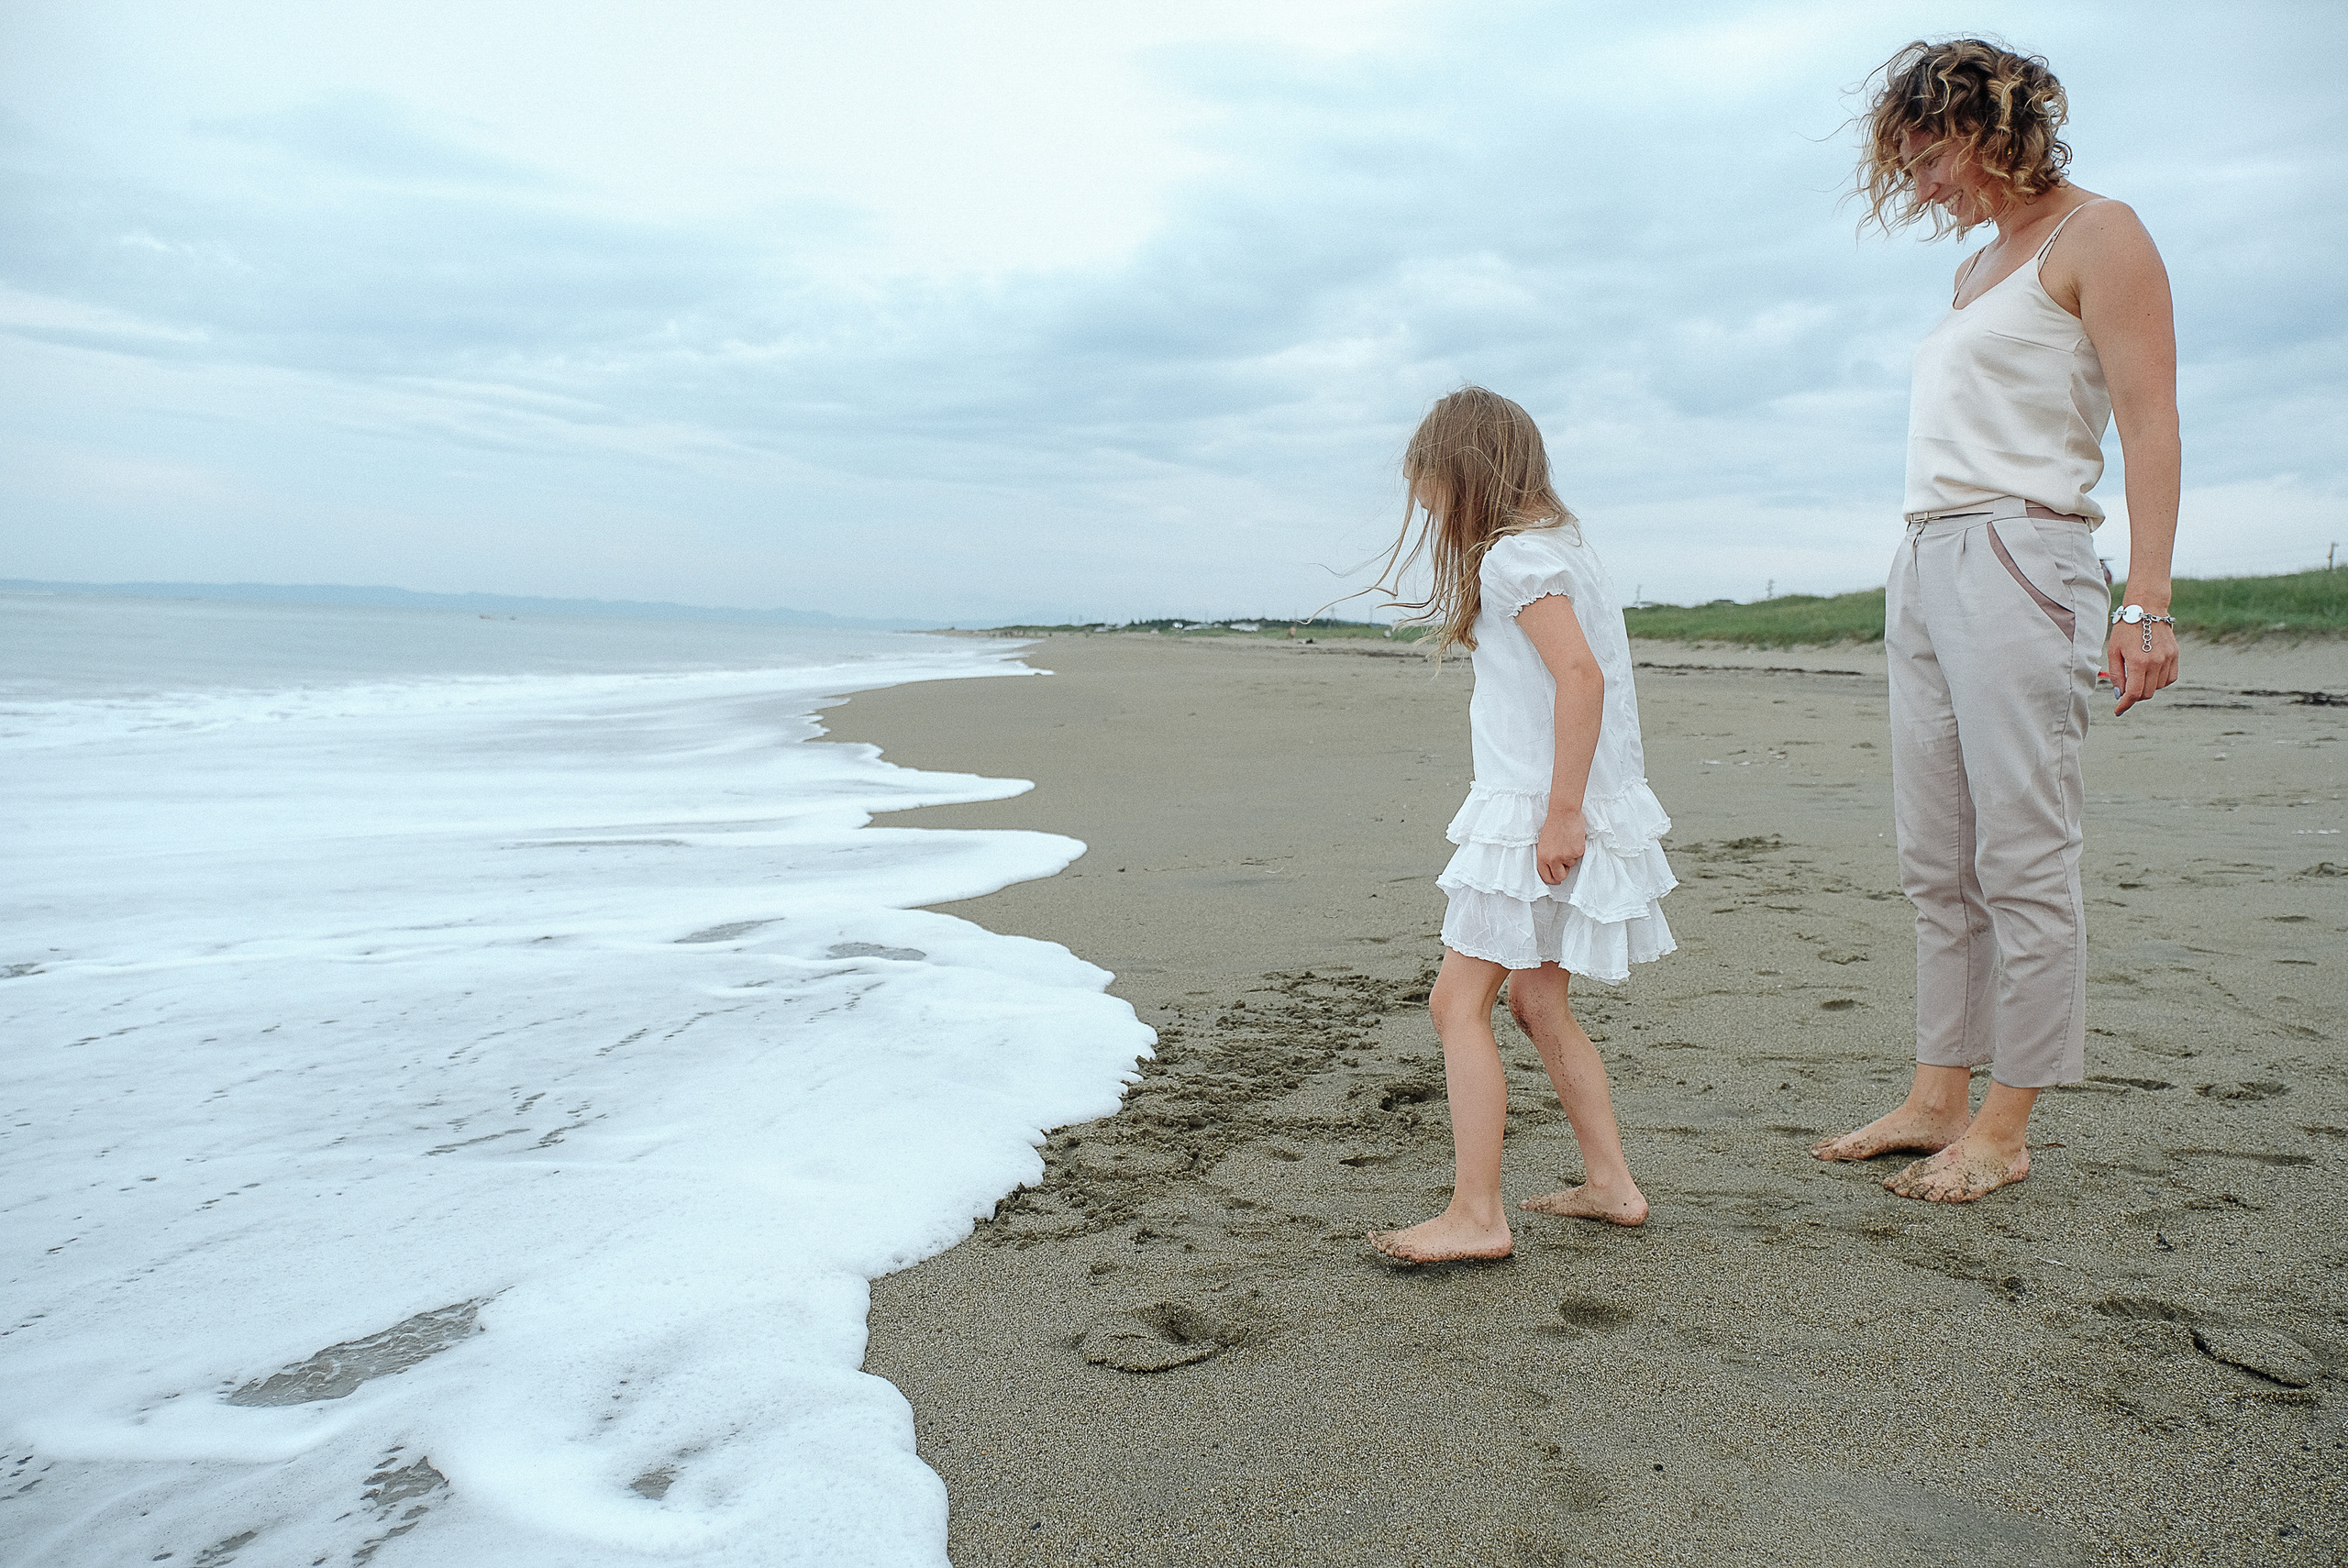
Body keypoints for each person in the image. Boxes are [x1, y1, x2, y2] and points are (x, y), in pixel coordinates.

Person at [1812, 39, 2181, 1201]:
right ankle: (1936, 1096)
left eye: (1923, 153)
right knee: (1936, 858)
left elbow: (2149, 425)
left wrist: (2147, 602)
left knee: (2021, 855)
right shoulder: (1976, 270)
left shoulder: (2101, 236)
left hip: (2026, 555)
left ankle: (2006, 1123)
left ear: (1982, 125)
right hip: (1924, 558)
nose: (1916, 181)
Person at [1362, 387, 1678, 1264]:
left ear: (1467, 476)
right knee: (1537, 999)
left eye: (1430, 491)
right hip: (1562, 805)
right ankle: (1610, 1182)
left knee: (1455, 1002)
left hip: (1539, 814)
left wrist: (1562, 814)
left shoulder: (1513, 561)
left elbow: (1580, 678)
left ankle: (1476, 1215)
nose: (1426, 510)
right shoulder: (1561, 547)